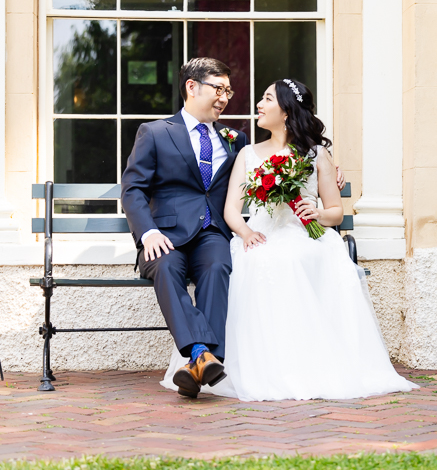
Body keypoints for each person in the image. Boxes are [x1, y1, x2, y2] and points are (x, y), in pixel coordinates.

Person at [162, 79, 417, 401]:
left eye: (267, 99)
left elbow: (336, 212)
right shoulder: (246, 154)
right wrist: (245, 233)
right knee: (249, 259)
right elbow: (231, 210)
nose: (259, 104)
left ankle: (300, 364)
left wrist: (317, 213)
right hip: (260, 233)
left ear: (285, 111)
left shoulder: (316, 154)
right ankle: (224, 363)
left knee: (292, 258)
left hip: (305, 234)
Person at [123, 58, 345, 399]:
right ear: (192, 87)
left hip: (213, 234)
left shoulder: (236, 140)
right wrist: (148, 232)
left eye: (228, 90)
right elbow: (133, 189)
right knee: (166, 267)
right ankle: (202, 355)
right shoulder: (155, 132)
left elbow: (280, 159)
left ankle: (200, 361)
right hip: (165, 236)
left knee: (218, 266)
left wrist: (328, 170)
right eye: (218, 88)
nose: (225, 97)